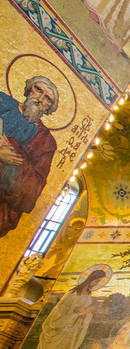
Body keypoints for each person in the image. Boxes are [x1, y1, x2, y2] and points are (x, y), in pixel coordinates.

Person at [0, 77, 58, 238]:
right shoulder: (2, 101)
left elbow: (33, 190)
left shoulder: (45, 141)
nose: (40, 99)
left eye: (48, 98)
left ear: (49, 108)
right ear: (28, 90)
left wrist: (11, 160)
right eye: (38, 89)